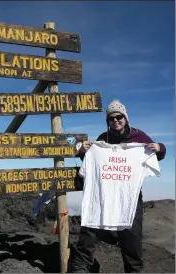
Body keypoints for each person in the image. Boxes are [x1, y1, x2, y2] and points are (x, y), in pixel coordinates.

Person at [69, 99, 166, 273]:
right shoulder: (102, 139)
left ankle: (134, 270)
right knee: (89, 230)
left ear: (125, 117)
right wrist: (83, 150)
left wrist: (160, 147)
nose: (115, 121)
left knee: (131, 238)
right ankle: (80, 269)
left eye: (119, 117)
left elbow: (159, 154)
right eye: (110, 119)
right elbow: (93, 163)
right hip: (102, 194)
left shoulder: (139, 138)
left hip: (130, 196)